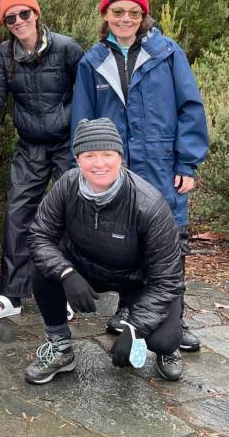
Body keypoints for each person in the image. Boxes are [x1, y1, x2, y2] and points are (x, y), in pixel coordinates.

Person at [70, 0, 209, 353]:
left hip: (163, 167)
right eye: (118, 11)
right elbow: (82, 122)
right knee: (123, 241)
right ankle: (129, 309)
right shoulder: (92, 62)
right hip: (113, 171)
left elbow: (190, 108)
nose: (126, 18)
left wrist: (188, 163)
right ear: (106, 14)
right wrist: (86, 169)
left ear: (144, 15)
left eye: (133, 12)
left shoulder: (168, 54)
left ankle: (173, 321)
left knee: (170, 244)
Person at [24, 118, 185, 384]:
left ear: (120, 157)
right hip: (86, 267)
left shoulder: (149, 204)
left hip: (138, 279)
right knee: (43, 269)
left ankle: (165, 347)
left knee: (164, 340)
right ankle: (61, 348)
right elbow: (39, 235)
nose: (99, 164)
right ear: (78, 159)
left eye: (107, 154)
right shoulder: (67, 186)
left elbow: (167, 279)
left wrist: (135, 328)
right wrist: (66, 273)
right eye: (89, 155)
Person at [0, 0, 83, 321]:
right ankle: (12, 296)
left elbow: (89, 94)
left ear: (36, 12)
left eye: (23, 13)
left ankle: (62, 292)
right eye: (10, 18)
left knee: (69, 216)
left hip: (65, 145)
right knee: (17, 215)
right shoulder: (5, 53)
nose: (18, 21)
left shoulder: (67, 49)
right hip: (30, 146)